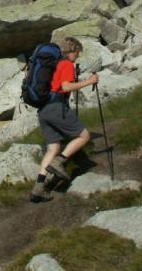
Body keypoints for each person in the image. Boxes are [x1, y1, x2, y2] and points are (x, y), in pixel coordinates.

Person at [30, 37, 98, 203]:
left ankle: (38, 188)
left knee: (52, 148)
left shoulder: (52, 64)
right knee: (84, 136)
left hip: (43, 110)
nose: (78, 56)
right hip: (56, 108)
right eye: (77, 52)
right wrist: (89, 81)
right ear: (71, 50)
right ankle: (59, 162)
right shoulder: (66, 64)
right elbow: (66, 86)